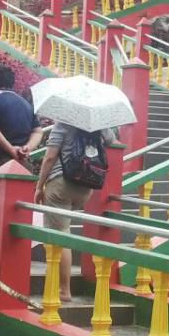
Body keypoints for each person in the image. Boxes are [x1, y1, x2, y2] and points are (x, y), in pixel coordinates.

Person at [33, 123, 116, 303]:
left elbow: (50, 157)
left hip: (61, 183)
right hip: (86, 186)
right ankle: (56, 276)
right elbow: (112, 142)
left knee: (59, 234)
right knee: (63, 228)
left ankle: (64, 289)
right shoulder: (100, 124)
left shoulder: (63, 123)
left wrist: (39, 187)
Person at [0, 64, 44, 193]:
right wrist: (27, 148)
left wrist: (11, 149)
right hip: (23, 162)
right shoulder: (26, 104)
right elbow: (38, 131)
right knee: (19, 205)